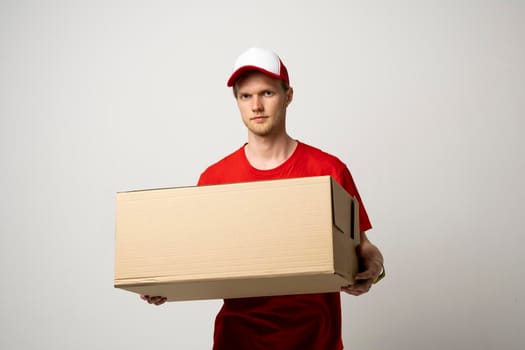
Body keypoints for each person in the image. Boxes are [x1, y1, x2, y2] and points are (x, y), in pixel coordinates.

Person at [141, 47, 385, 349]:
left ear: (289, 95)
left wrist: (374, 268)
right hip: (238, 339)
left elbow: (363, 246)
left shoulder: (328, 170)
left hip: (315, 339)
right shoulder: (214, 179)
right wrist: (161, 283)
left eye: (267, 93)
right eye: (246, 96)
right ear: (237, 102)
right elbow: (195, 260)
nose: (256, 105)